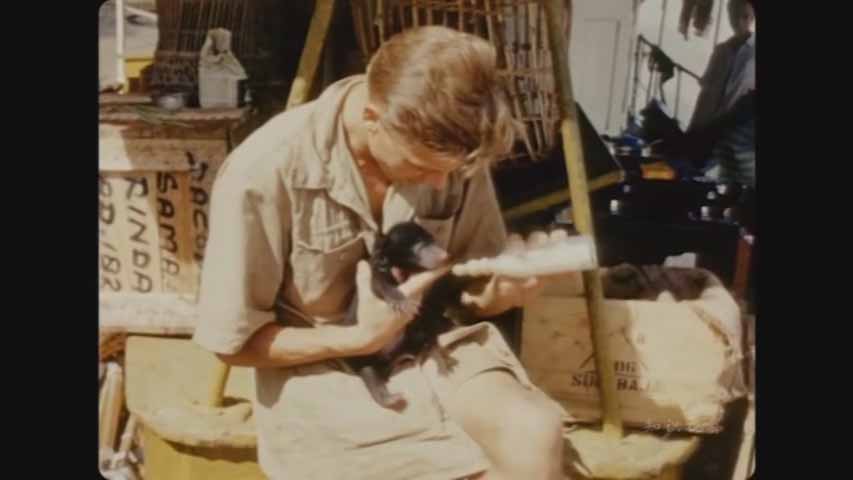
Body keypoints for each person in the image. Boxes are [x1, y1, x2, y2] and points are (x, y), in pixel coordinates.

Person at [193, 26, 568, 480]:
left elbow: (467, 293)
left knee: (535, 432)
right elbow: (234, 344)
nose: (438, 182)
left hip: (433, 341)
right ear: (373, 118)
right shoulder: (263, 173)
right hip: (325, 365)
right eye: (420, 166)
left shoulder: (449, 147)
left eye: (447, 171)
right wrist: (358, 339)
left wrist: (500, 294)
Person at [684, 0, 756, 187]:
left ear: (752, 18)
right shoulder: (721, 51)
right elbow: (707, 94)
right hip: (712, 125)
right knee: (697, 174)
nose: (739, 22)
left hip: (737, 127)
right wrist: (694, 128)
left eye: (745, 17)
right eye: (735, 16)